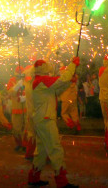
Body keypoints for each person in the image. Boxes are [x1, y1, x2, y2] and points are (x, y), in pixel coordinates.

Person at [27, 57, 79, 188]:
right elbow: (62, 79)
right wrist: (72, 65)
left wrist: (69, 82)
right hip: (45, 119)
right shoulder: (42, 80)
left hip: (41, 119)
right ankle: (62, 182)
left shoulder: (40, 82)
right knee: (55, 149)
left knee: (42, 151)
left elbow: (56, 90)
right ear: (44, 69)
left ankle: (33, 178)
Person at [7, 66, 28, 152]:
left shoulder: (27, 80)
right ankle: (19, 144)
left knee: (26, 127)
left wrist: (26, 97)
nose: (20, 77)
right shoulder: (12, 80)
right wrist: (17, 86)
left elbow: (31, 91)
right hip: (16, 108)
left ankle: (25, 144)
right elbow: (10, 92)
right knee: (16, 128)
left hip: (26, 108)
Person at [21, 65, 36, 160]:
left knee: (31, 133)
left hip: (30, 112)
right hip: (37, 113)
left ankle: (30, 152)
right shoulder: (34, 84)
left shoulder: (27, 84)